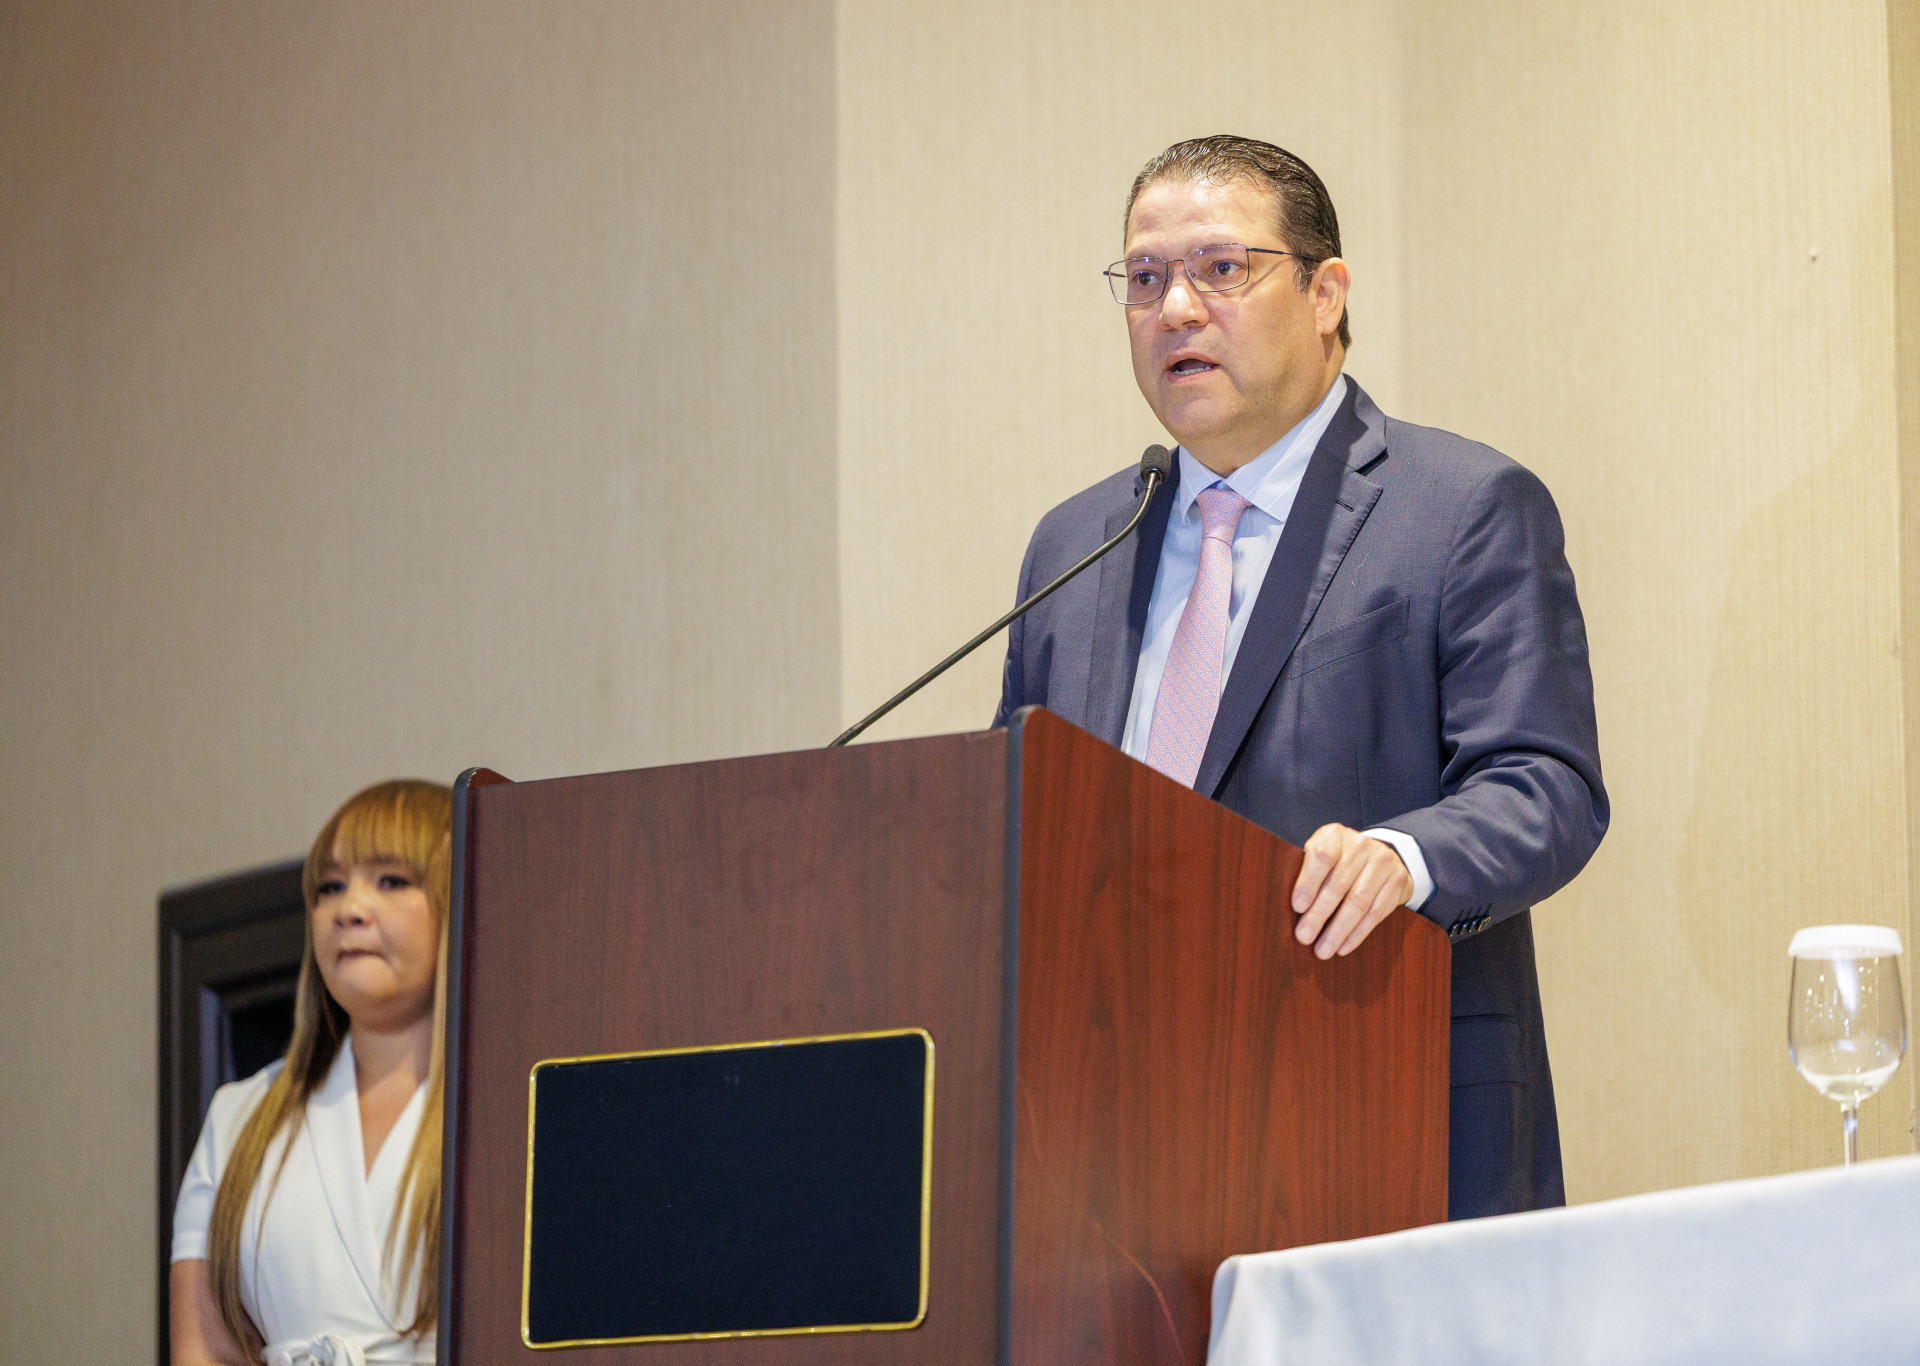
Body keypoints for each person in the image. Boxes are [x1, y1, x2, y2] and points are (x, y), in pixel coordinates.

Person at [994, 135, 1607, 1218]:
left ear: (1326, 294)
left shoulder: (1460, 508)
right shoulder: (1075, 546)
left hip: (1377, 1113)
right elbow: (1014, 833)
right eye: (1146, 278)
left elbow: (1545, 786)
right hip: (1109, 1157)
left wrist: (1401, 857)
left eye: (1221, 268)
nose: (1176, 308)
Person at [170, 780, 454, 1365]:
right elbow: (204, 1353)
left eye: (390, 880)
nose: (349, 910)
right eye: (330, 887)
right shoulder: (239, 1116)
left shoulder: (514, 1103)